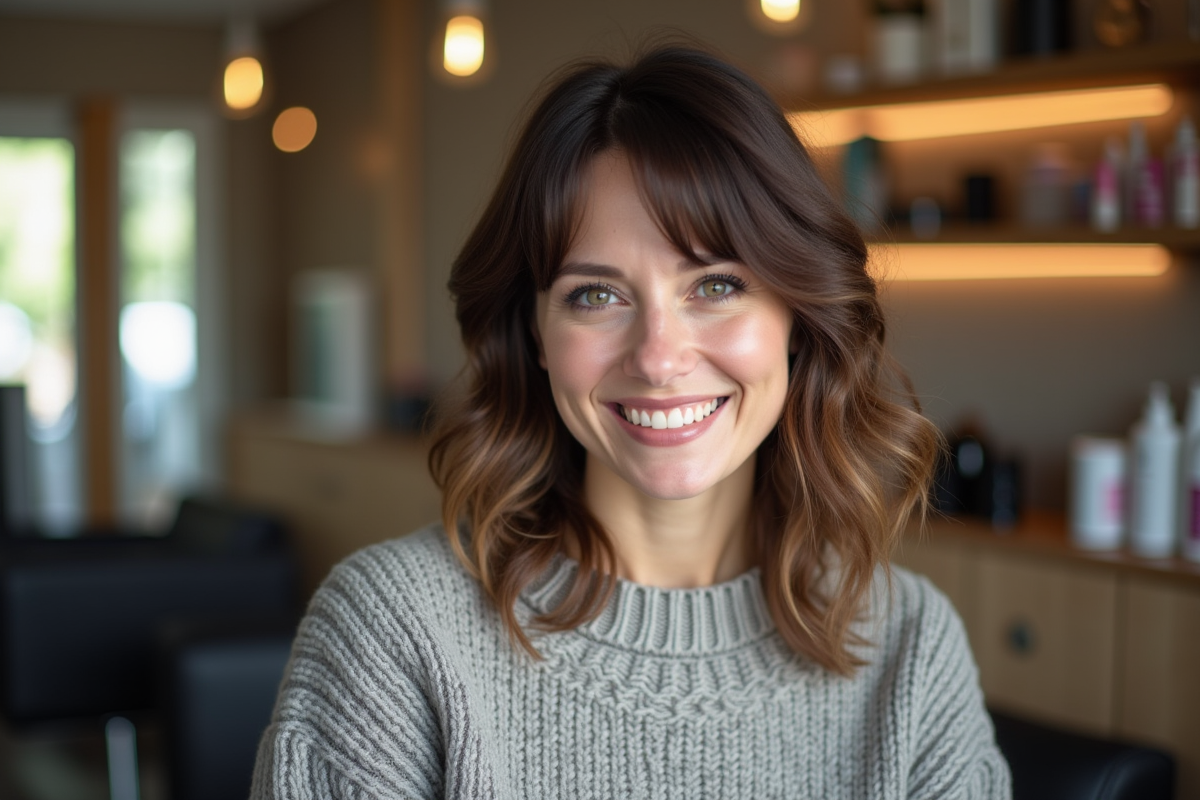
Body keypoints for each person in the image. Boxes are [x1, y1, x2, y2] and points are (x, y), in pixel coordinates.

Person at [251, 44, 1011, 799]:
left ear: (797, 316)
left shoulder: (911, 646)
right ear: (535, 335)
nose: (658, 357)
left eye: (715, 284)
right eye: (595, 296)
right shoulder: (395, 633)